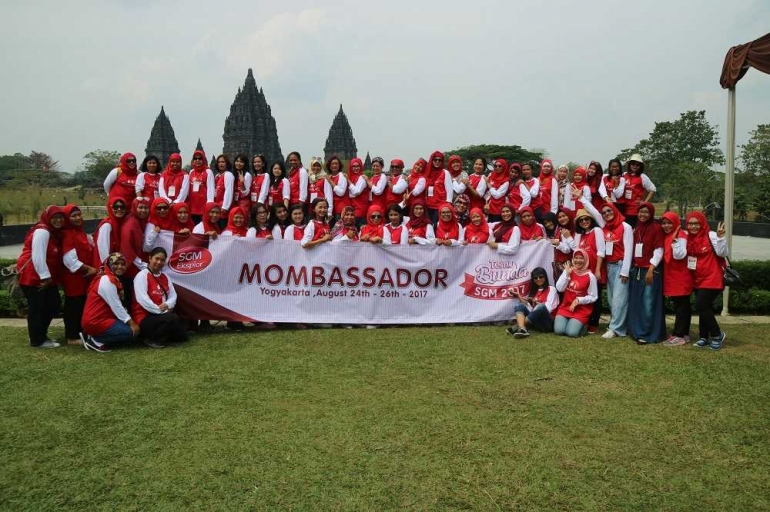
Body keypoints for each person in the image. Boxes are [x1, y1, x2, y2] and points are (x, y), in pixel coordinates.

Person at [582, 200, 633, 339]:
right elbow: (593, 211)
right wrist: (581, 198)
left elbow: (629, 250)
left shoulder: (625, 227)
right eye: (604, 212)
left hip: (621, 266)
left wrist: (625, 271)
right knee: (612, 300)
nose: (606, 214)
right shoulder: (605, 226)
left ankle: (615, 329)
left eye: (609, 211)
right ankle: (621, 325)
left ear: (615, 210)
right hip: (609, 267)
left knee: (619, 299)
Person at [17, 205, 66, 348]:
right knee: (38, 308)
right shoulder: (42, 231)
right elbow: (38, 256)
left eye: (61, 217)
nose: (58, 220)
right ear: (47, 218)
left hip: (41, 276)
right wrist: (45, 277)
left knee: (52, 304)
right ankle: (37, 340)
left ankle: (40, 335)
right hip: (34, 276)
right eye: (55, 217)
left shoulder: (52, 232)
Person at [80, 253, 140, 353]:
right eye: (116, 264)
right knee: (130, 333)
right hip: (96, 321)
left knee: (131, 330)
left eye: (122, 264)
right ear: (109, 264)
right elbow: (117, 307)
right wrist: (132, 324)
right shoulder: (107, 280)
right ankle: (96, 341)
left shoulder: (111, 278)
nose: (120, 267)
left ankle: (92, 334)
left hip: (102, 318)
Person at [686, 212, 728, 350]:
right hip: (698, 278)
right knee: (705, 307)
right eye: (690, 223)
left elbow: (722, 253)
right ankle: (703, 336)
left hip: (712, 278)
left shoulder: (711, 235)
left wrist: (721, 238)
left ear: (702, 223)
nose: (693, 226)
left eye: (696, 223)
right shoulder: (689, 238)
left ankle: (717, 335)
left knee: (701, 305)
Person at [132, 247, 187, 349]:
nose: (159, 262)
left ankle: (162, 333)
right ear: (150, 258)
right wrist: (162, 310)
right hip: (144, 317)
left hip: (161, 314)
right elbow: (143, 299)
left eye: (162, 260)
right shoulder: (141, 276)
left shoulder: (165, 276)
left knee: (182, 336)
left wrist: (167, 304)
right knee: (172, 318)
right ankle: (151, 339)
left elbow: (173, 295)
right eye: (156, 258)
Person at [628, 203, 666, 344]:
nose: (643, 215)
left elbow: (659, 250)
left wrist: (651, 268)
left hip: (650, 270)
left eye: (646, 212)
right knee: (637, 301)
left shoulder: (656, 228)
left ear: (651, 214)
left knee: (648, 302)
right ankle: (636, 330)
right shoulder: (636, 228)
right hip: (636, 269)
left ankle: (646, 333)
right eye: (640, 212)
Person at [61, 204, 98, 345]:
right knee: (73, 305)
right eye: (73, 216)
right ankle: (72, 336)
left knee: (81, 303)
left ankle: (80, 332)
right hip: (74, 278)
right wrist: (89, 269)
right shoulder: (68, 234)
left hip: (83, 277)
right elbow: (69, 260)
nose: (77, 218)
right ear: (67, 218)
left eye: (78, 215)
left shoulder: (80, 232)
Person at [566, 208, 605, 334]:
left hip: (595, 270)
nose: (584, 221)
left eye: (586, 219)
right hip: (584, 273)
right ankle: (586, 321)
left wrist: (598, 270)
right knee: (585, 296)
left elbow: (601, 251)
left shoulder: (597, 231)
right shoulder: (581, 235)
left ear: (591, 220)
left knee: (596, 297)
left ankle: (594, 323)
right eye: (581, 220)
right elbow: (576, 251)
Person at [660, 211, 693, 346]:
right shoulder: (669, 235)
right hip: (674, 275)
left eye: (669, 223)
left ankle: (679, 335)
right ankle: (683, 333)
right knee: (681, 305)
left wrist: (675, 241)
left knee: (681, 306)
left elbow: (679, 255)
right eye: (664, 223)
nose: (666, 226)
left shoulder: (681, 235)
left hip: (680, 276)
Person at [553, 249, 599, 337]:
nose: (578, 260)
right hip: (566, 307)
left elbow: (594, 297)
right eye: (576, 258)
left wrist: (579, 300)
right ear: (572, 259)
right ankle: (572, 324)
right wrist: (566, 274)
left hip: (581, 310)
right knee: (559, 331)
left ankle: (583, 326)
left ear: (586, 260)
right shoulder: (568, 271)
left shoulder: (590, 276)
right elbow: (559, 288)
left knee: (571, 333)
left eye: (581, 258)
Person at [505, 267, 559, 337]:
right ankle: (523, 330)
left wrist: (535, 302)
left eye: (541, 276)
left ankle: (517, 326)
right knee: (519, 306)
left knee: (541, 306)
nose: (538, 279)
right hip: (535, 323)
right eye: (535, 278)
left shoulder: (551, 289)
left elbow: (548, 308)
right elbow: (530, 308)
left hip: (547, 324)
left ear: (545, 277)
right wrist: (518, 296)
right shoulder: (534, 291)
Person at [620, 154, 656, 227]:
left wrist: (645, 202)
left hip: (635, 211)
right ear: (629, 164)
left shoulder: (642, 176)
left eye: (637, 164)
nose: (635, 166)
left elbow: (653, 189)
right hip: (623, 210)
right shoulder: (624, 175)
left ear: (640, 166)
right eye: (633, 164)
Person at [119, 197, 151, 279]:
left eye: (146, 207)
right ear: (134, 207)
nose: (143, 210)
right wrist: (143, 265)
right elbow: (127, 249)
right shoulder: (130, 224)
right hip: (133, 268)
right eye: (140, 207)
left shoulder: (141, 220)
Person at [93, 197, 127, 265]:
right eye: (115, 207)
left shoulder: (119, 223)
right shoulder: (107, 225)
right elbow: (103, 249)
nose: (119, 209)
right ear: (110, 208)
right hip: (106, 265)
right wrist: (108, 266)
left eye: (122, 207)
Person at [187, 149, 214, 225]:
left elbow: (211, 189)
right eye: (195, 158)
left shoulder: (208, 171)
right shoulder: (191, 172)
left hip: (203, 206)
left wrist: (209, 205)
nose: (197, 160)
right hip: (192, 206)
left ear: (204, 159)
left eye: (200, 158)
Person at [213, 154, 235, 228]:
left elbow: (229, 191)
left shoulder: (228, 175)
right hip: (216, 207)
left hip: (224, 209)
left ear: (227, 163)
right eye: (219, 162)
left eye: (223, 162)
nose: (221, 164)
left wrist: (225, 207)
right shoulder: (217, 176)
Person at [325, 156, 348, 224]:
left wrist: (330, 181)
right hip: (332, 209)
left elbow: (341, 192)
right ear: (329, 165)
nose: (334, 165)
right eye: (332, 164)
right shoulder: (329, 177)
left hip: (341, 208)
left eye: (336, 164)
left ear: (339, 165)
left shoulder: (342, 176)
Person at [347, 157, 369, 226]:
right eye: (353, 166)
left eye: (357, 166)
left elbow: (356, 192)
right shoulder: (352, 178)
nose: (356, 168)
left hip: (360, 209)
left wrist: (348, 180)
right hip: (354, 208)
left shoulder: (362, 178)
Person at [486, 158, 510, 222]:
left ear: (504, 167)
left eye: (500, 166)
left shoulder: (506, 181)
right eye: (495, 166)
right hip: (488, 207)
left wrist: (490, 187)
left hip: (498, 208)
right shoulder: (491, 175)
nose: (497, 168)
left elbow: (497, 195)